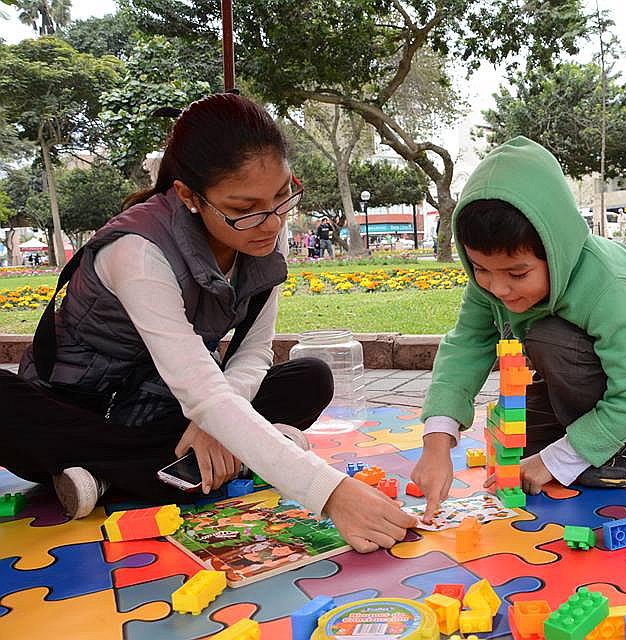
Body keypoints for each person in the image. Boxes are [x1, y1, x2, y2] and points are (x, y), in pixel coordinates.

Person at [0, 93, 415, 552]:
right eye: (243, 209)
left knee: (309, 378)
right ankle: (202, 463)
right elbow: (203, 392)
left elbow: (253, 353)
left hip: (167, 409)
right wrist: (330, 493)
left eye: (282, 196)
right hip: (81, 407)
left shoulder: (264, 243)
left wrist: (215, 421)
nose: (271, 222)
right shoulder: (138, 251)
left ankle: (114, 475)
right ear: (188, 196)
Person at [411, 137, 626, 521]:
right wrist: (436, 443)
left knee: (550, 350)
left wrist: (552, 462)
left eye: (517, 274)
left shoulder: (610, 283)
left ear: (557, 249)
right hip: (578, 362)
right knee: (520, 445)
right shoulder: (489, 284)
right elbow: (466, 346)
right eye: (481, 269)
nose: (498, 289)